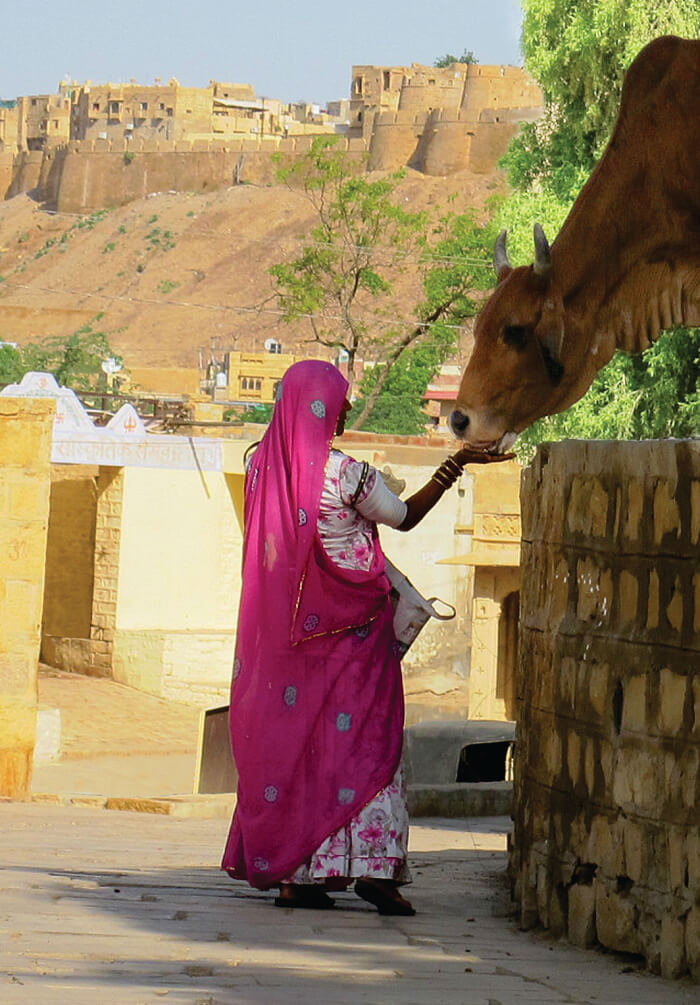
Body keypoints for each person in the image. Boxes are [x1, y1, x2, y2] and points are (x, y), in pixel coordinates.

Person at [221, 360, 512, 914]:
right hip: (354, 636)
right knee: (365, 746)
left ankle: (296, 874)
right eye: (340, 399)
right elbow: (402, 517)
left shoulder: (261, 466)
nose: (347, 409)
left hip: (287, 643)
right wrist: (454, 466)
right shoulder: (345, 474)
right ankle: (373, 870)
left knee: (298, 749)